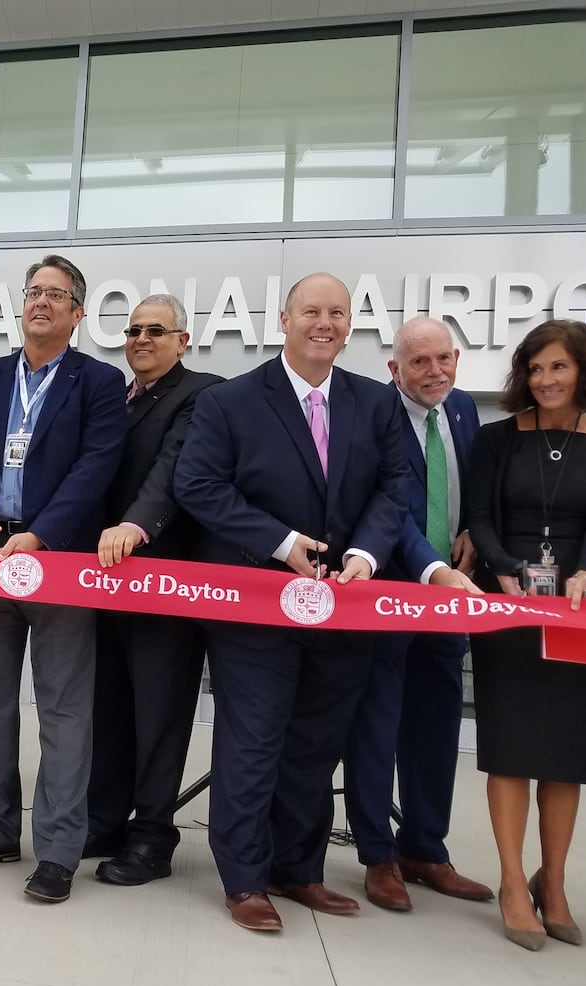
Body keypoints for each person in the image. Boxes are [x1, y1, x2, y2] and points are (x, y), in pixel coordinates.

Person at [174, 272, 409, 932]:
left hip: (342, 609)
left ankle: (297, 869)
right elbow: (198, 485)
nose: (323, 322)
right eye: (311, 310)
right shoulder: (232, 402)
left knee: (314, 746)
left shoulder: (376, 402)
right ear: (284, 319)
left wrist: (364, 555)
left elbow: (394, 488)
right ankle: (244, 878)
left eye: (336, 312)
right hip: (255, 607)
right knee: (252, 744)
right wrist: (280, 545)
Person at [0, 254, 125, 904]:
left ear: (77, 314)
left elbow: (95, 468)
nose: (40, 302)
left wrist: (41, 533)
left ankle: (56, 851)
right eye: (33, 292)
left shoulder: (100, 383)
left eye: (56, 295)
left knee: (64, 712)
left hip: (60, 564)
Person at [343, 316, 492, 911]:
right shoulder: (374, 416)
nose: (435, 372)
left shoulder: (461, 410)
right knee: (378, 727)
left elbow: (472, 483)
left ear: (456, 358)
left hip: (449, 598)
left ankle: (425, 848)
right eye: (420, 362)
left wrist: (475, 531)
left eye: (443, 359)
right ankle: (378, 856)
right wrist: (433, 566)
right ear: (394, 368)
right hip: (392, 593)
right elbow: (393, 508)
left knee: (436, 725)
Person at [86, 293, 222, 886]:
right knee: (110, 709)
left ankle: (152, 837)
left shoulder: (200, 395)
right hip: (103, 582)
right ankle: (107, 821)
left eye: (156, 331)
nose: (141, 339)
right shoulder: (114, 399)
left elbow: (173, 470)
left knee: (160, 716)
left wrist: (136, 526)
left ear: (182, 341)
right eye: (134, 330)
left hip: (164, 584)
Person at [466, 318, 586, 951]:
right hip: (508, 604)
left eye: (558, 367)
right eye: (535, 368)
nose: (545, 380)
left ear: (581, 371)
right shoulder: (495, 440)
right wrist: (506, 571)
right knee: (512, 747)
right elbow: (479, 518)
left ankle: (556, 881)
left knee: (565, 752)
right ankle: (514, 883)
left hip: (578, 612)